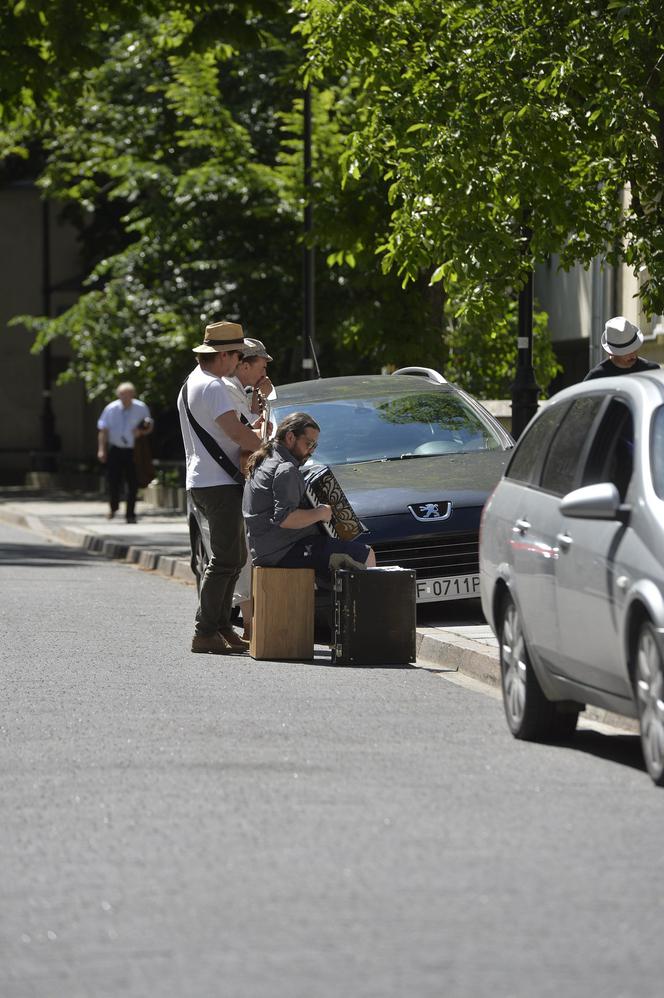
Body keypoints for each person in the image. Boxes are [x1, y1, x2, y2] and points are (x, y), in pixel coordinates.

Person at [177, 320, 262, 656]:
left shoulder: (192, 382)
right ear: (224, 355)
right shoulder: (212, 386)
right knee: (227, 559)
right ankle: (205, 630)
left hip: (204, 480)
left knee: (233, 557)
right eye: (237, 354)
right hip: (218, 482)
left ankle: (222, 626)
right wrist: (271, 448)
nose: (238, 360)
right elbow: (236, 433)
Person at [243, 412, 376, 578]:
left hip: (266, 549)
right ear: (290, 437)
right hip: (284, 550)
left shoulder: (265, 458)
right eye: (308, 444)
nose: (311, 451)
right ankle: (367, 604)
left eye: (314, 446)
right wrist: (321, 512)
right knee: (364, 555)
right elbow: (286, 518)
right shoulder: (286, 469)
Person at [222, 338, 275, 641]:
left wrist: (259, 399)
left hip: (241, 479)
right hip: (235, 481)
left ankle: (248, 620)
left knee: (244, 553)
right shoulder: (226, 392)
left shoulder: (237, 391)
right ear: (243, 364)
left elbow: (252, 424)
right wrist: (265, 406)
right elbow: (253, 435)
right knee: (243, 553)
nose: (265, 369)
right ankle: (248, 623)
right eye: (261, 364)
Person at [97, 382, 153, 523]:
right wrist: (101, 449)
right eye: (122, 394)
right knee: (113, 481)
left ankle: (130, 514)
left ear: (133, 395)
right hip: (115, 448)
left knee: (132, 482)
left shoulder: (141, 408)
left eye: (128, 394)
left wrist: (141, 431)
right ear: (118, 395)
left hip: (133, 450)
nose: (125, 397)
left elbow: (149, 426)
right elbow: (103, 430)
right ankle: (113, 507)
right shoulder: (111, 409)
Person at [584, 316, 660, 380]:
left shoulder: (651, 370)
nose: (633, 355)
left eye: (634, 349)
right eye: (626, 352)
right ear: (611, 352)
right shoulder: (596, 377)